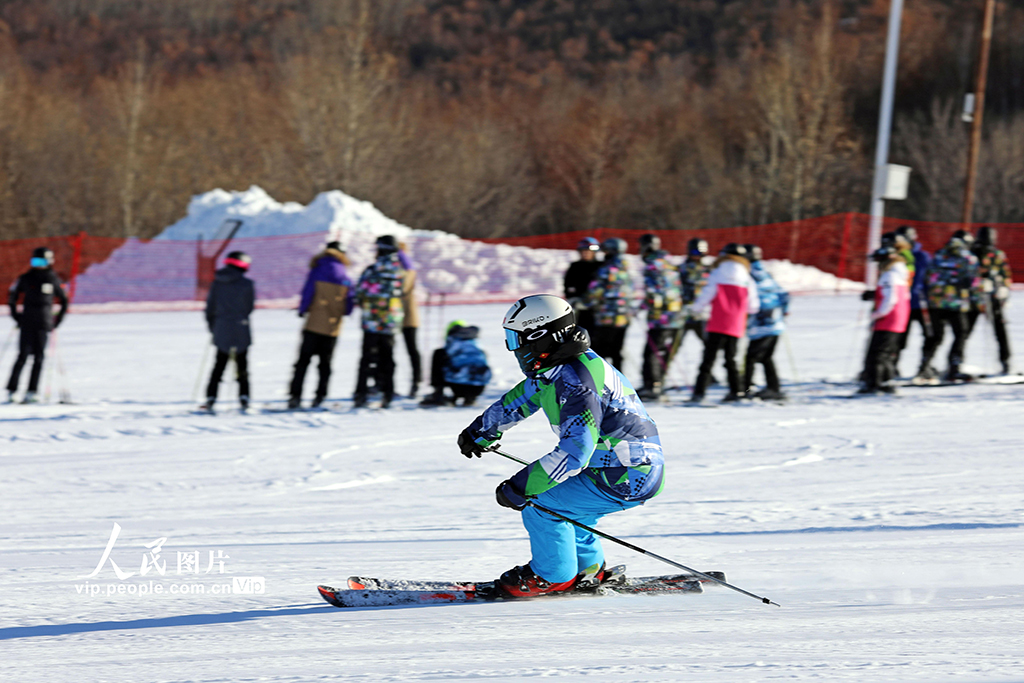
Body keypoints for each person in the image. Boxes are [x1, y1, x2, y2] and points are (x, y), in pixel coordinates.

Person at [457, 294, 664, 598]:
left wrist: (521, 486)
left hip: (624, 474)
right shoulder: (561, 367)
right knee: (573, 511)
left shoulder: (577, 382)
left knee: (542, 506)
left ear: (540, 336)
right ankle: (587, 570)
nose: (515, 349)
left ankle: (551, 576)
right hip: (626, 468)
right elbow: (522, 398)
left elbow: (574, 453)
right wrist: (481, 430)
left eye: (517, 340)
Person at [688, 243, 759, 403]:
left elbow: (707, 294)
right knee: (731, 359)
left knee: (708, 359)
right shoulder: (747, 278)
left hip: (717, 322)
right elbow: (753, 306)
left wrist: (695, 308)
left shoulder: (717, 273)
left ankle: (699, 393)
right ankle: (737, 391)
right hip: (736, 324)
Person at [288, 242, 354, 409]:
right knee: (325, 364)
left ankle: (295, 396)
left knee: (303, 362)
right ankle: (320, 395)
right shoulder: (346, 277)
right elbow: (348, 306)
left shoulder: (317, 270)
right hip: (333, 327)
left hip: (313, 324)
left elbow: (308, 292)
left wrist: (303, 309)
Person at [916, 234, 983, 383]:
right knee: (961, 333)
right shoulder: (967, 258)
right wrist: (978, 302)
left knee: (935, 336)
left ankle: (924, 367)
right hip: (955, 303)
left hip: (935, 302)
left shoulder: (939, 255)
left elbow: (928, 277)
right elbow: (974, 282)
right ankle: (954, 366)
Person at [6, 247, 69, 404]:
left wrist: (57, 321)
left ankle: (32, 391)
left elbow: (64, 300)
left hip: (44, 323)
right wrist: (16, 316)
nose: (38, 265)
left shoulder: (53, 279)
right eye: (36, 262)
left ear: (49, 262)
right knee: (22, 356)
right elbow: (12, 297)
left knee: (39, 358)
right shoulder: (26, 278)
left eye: (42, 262)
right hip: (27, 322)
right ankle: (12, 390)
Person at [354, 235, 407, 408]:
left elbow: (359, 292)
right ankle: (388, 393)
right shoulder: (400, 272)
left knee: (366, 359)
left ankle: (361, 394)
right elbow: (405, 291)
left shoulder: (372, 270)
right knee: (388, 358)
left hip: (371, 320)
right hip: (391, 321)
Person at [202, 251, 255, 412]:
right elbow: (249, 308)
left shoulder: (216, 283)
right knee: (242, 366)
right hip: (241, 329)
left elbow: (209, 309)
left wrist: (214, 328)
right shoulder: (247, 284)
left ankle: (211, 397)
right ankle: (244, 397)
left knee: (218, 365)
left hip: (221, 328)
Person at [858, 246, 911, 394]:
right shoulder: (899, 274)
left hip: (888, 320)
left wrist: (877, 314)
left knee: (877, 353)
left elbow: (890, 299)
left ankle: (875, 384)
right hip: (897, 320)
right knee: (886, 353)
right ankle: (886, 382)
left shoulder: (889, 275)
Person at [638, 233, 684, 399]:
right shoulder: (668, 263)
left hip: (661, 317)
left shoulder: (652, 265)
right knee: (660, 350)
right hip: (675, 315)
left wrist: (643, 306)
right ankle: (657, 383)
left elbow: (654, 291)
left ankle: (653, 385)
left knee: (651, 351)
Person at [743, 245, 790, 400]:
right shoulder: (766, 273)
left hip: (760, 325)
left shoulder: (747, 275)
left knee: (750, 358)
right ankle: (773, 387)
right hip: (775, 324)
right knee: (766, 357)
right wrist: (783, 312)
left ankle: (746, 388)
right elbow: (784, 295)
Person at [968, 226, 1013, 374]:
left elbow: (1005, 274)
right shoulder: (972, 253)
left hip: (993, 298)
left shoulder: (997, 255)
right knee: (964, 330)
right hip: (974, 299)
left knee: (1000, 329)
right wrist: (979, 283)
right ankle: (955, 361)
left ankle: (1006, 361)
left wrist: (1003, 289)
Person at [585, 237, 633, 371]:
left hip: (607, 316)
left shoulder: (606, 268)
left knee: (600, 349)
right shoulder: (625, 268)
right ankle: (620, 377)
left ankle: (602, 376)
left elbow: (596, 290)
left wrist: (583, 302)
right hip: (623, 316)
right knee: (617, 349)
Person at [420, 320, 492, 407]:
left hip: (457, 386)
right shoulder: (477, 346)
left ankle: (438, 394)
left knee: (439, 355)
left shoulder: (451, 345)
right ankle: (470, 398)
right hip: (479, 387)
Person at [894, 225, 932, 374]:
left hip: (920, 303)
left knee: (930, 335)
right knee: (898, 337)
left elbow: (930, 278)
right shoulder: (895, 256)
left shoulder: (922, 257)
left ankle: (925, 365)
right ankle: (891, 366)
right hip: (902, 304)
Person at [678, 237, 716, 373]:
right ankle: (660, 375)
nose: (697, 256)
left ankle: (708, 375)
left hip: (702, 315)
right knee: (674, 346)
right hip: (683, 314)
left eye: (700, 253)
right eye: (694, 252)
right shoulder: (682, 269)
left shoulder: (709, 270)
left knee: (709, 347)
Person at [398, 242, 422, 398]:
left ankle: (416, 381)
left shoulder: (401, 264)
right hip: (408, 313)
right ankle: (416, 380)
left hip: (400, 313)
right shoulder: (407, 263)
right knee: (412, 349)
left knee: (411, 349)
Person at [563, 237, 602, 333]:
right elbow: (568, 285)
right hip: (580, 308)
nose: (586, 253)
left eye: (588, 251)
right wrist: (573, 298)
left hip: (598, 308)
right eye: (583, 251)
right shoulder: (575, 267)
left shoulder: (601, 267)